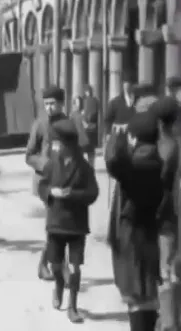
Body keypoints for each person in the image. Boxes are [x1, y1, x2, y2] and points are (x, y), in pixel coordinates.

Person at [105, 111, 163, 331]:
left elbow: (113, 162)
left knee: (138, 299)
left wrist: (115, 138)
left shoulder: (138, 164)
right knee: (146, 296)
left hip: (133, 239)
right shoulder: (157, 160)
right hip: (148, 236)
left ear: (135, 137)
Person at [38, 118, 99, 323]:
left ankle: (72, 306)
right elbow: (42, 186)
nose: (54, 147)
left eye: (58, 144)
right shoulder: (51, 164)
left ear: (68, 145)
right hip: (55, 224)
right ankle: (58, 285)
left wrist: (72, 194)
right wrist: (50, 193)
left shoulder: (84, 167)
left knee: (74, 268)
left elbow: (93, 193)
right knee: (56, 265)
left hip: (76, 225)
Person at [26, 86, 89, 281]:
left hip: (69, 180)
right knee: (56, 224)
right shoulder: (40, 124)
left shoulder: (70, 123)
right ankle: (57, 268)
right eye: (46, 104)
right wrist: (45, 165)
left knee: (62, 224)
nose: (49, 108)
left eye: (53, 104)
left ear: (62, 104)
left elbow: (82, 147)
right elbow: (29, 154)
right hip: (47, 183)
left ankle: (48, 264)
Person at [150, 96, 180, 331]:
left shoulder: (164, 148)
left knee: (166, 270)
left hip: (167, 219)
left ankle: (169, 322)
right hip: (171, 217)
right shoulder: (173, 145)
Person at [82, 85, 100, 167]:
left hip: (91, 128)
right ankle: (88, 166)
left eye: (88, 91)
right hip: (88, 128)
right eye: (86, 91)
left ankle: (91, 166)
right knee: (87, 149)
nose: (87, 92)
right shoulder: (85, 100)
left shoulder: (93, 100)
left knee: (90, 150)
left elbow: (94, 114)